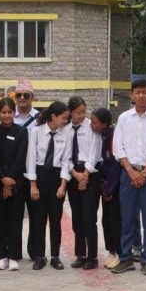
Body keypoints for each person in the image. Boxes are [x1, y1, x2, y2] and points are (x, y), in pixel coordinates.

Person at [110, 79, 146, 276]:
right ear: (132, 95)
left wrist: (145, 173)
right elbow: (118, 147)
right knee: (127, 217)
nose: (141, 95)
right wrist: (131, 171)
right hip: (128, 174)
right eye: (137, 92)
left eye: (144, 92)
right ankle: (126, 258)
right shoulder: (124, 118)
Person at [25, 101, 71, 271]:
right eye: (63, 118)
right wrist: (33, 185)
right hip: (39, 176)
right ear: (53, 116)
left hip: (57, 178)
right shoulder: (36, 132)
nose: (65, 121)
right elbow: (31, 158)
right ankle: (39, 255)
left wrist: (63, 185)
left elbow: (66, 160)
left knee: (55, 219)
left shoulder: (66, 134)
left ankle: (55, 256)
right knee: (38, 219)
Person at [0, 97, 29, 271]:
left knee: (15, 220)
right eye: (3, 112)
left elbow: (21, 157)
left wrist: (10, 181)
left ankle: (14, 256)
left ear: (14, 113)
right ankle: (1, 255)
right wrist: (3, 179)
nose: (6, 115)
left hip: (16, 183)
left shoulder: (21, 132)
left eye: (9, 112)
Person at [64, 97, 99, 270]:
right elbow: (64, 155)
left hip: (90, 174)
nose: (81, 116)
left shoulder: (91, 127)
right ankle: (80, 254)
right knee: (77, 216)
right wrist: (75, 174)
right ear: (70, 112)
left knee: (89, 217)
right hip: (74, 175)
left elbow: (95, 151)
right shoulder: (65, 129)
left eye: (83, 112)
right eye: (78, 113)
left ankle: (92, 256)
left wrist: (85, 176)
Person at [91, 107, 121, 269]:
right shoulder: (98, 136)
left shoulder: (113, 137)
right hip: (103, 186)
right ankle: (111, 252)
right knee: (106, 220)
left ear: (104, 124)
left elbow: (116, 165)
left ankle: (120, 253)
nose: (91, 124)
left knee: (115, 220)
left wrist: (109, 189)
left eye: (94, 122)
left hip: (115, 188)